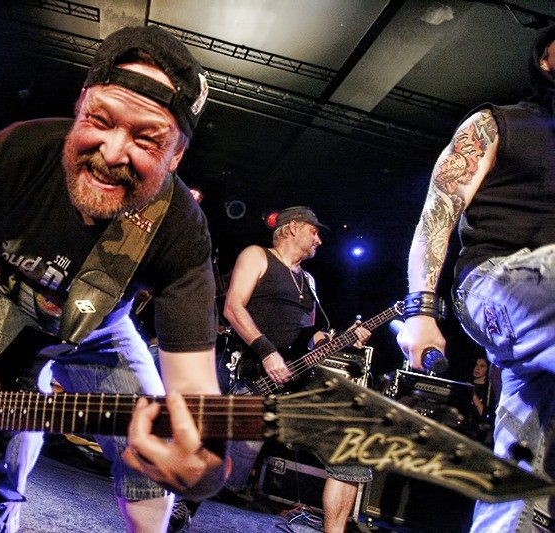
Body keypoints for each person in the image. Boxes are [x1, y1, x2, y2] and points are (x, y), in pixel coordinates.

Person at [0, 25, 229, 533]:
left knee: (156, 443)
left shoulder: (180, 230)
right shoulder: (21, 150)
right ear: (79, 106)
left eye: (147, 138)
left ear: (176, 156)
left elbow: (195, 397)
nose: (113, 153)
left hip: (101, 330)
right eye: (100, 119)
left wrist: (204, 467)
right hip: (2, 299)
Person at [397, 25, 555, 532]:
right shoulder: (497, 124)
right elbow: (436, 214)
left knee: (522, 476)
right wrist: (421, 308)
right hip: (493, 283)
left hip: (543, 334)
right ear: (545, 59)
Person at [169, 206, 372, 533]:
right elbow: (233, 307)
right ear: (293, 228)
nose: (319, 240)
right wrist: (266, 352)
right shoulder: (257, 256)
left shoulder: (308, 281)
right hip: (253, 377)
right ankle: (183, 504)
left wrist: (343, 339)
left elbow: (312, 336)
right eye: (314, 232)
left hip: (293, 386)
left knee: (350, 449)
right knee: (227, 468)